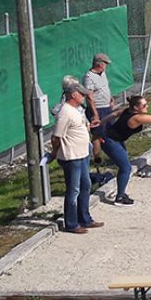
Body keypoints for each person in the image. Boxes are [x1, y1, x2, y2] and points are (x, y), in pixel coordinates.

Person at [51, 84, 103, 234]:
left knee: (85, 185)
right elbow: (56, 137)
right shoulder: (65, 112)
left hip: (82, 155)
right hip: (71, 156)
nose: (84, 96)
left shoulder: (75, 111)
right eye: (81, 94)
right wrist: (55, 152)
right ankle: (71, 223)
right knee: (73, 190)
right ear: (73, 95)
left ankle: (85, 218)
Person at [84, 53, 114, 141]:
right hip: (98, 109)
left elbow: (106, 86)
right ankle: (97, 154)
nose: (106, 66)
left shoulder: (103, 73)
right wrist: (95, 114)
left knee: (110, 130)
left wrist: (110, 98)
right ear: (99, 64)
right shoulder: (88, 77)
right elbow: (90, 97)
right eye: (105, 63)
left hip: (107, 107)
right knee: (97, 134)